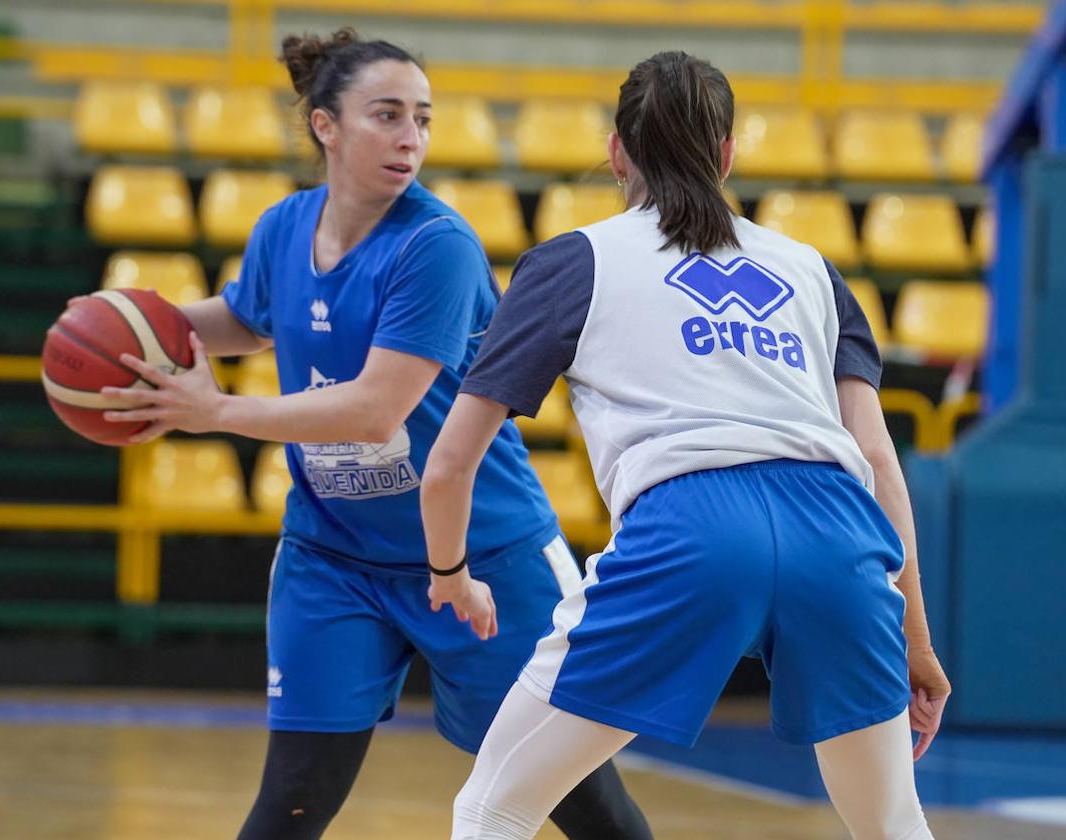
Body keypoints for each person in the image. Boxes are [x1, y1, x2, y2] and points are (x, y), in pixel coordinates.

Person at [97, 27, 650, 840]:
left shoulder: (438, 246)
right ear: (326, 125)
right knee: (291, 799)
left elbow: (374, 410)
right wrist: (131, 329)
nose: (410, 139)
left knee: (579, 799)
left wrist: (215, 413)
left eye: (422, 119)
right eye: (387, 116)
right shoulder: (286, 227)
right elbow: (247, 322)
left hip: (482, 556)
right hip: (333, 557)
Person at [420, 50, 953, 840]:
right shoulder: (813, 270)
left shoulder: (575, 262)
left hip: (694, 527)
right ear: (729, 154)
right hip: (840, 538)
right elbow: (879, 465)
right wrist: (915, 636)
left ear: (616, 152)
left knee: (495, 806)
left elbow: (449, 463)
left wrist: (449, 572)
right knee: (891, 824)